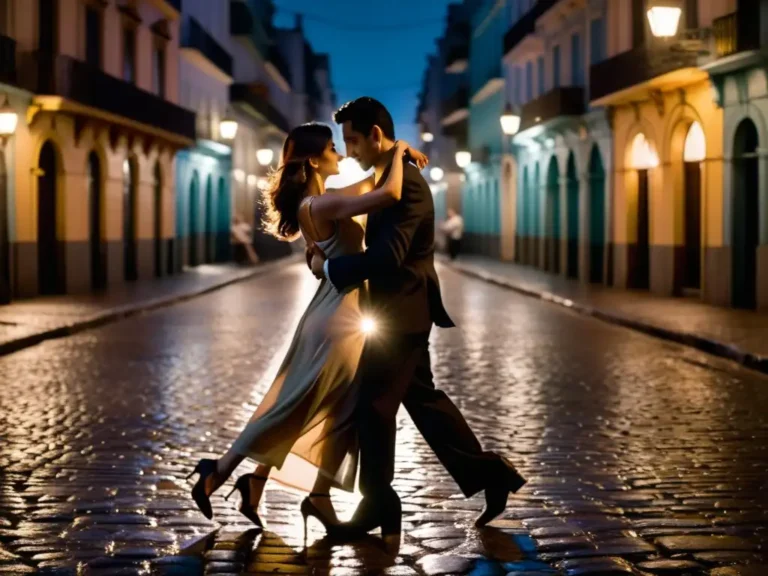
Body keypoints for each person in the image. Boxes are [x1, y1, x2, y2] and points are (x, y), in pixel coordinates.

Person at [186, 122, 428, 537]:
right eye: (334, 148)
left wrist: (392, 157)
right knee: (305, 404)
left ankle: (281, 487)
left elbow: (371, 186)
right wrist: (400, 147)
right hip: (340, 317)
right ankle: (220, 470)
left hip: (334, 310)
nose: (341, 154)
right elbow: (387, 193)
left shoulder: (316, 204)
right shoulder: (322, 205)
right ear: (315, 159)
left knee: (330, 405)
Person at [310, 97, 525, 538]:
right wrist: (401, 148)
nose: (348, 151)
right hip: (400, 309)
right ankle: (489, 474)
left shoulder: (405, 183)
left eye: (352, 140)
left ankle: (377, 503)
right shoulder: (396, 174)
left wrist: (329, 269)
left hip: (401, 311)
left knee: (374, 407)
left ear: (374, 135)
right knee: (423, 401)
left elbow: (389, 256)